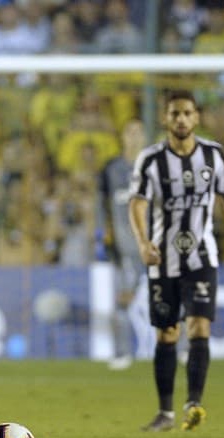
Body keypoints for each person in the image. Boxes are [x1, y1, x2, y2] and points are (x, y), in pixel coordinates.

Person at [129, 89, 224, 432]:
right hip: (162, 258)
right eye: (175, 114)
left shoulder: (214, 156)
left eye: (187, 113)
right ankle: (165, 413)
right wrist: (143, 243)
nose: (181, 119)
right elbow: (137, 204)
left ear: (196, 117)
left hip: (203, 257)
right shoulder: (151, 160)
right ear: (165, 118)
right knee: (167, 333)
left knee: (200, 326)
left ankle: (194, 404)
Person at [98, 118, 155, 369]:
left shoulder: (155, 167)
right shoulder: (112, 168)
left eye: (138, 132)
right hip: (125, 248)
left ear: (144, 137)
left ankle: (182, 351)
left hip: (156, 245)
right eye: (129, 132)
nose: (134, 137)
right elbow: (102, 206)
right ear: (122, 136)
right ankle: (122, 353)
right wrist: (102, 237)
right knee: (123, 300)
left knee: (174, 298)